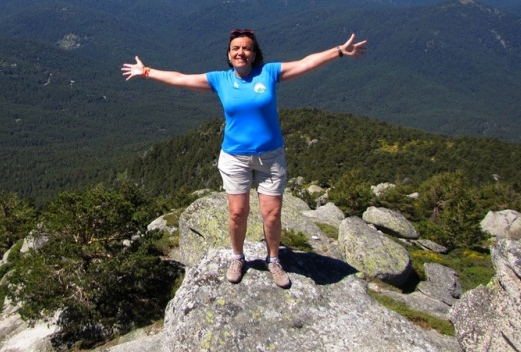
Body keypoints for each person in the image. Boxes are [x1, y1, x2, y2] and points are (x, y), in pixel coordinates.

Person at [121, 29, 367, 288]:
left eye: (246, 48)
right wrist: (146, 71)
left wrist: (338, 51)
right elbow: (180, 79)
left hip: (270, 157)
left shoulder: (269, 73)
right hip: (235, 158)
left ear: (254, 53)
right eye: (235, 48)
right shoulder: (220, 80)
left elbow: (306, 63)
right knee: (238, 213)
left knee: (271, 214)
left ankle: (273, 260)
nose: (241, 52)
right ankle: (238, 258)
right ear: (229, 55)